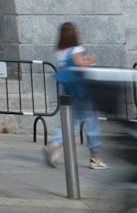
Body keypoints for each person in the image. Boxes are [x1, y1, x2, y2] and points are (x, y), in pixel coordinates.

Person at [45, 22, 106, 171]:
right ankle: (95, 157)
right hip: (82, 90)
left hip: (67, 89)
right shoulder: (76, 49)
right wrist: (90, 59)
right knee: (91, 122)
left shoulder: (60, 50)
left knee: (69, 122)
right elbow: (81, 64)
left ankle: (55, 144)